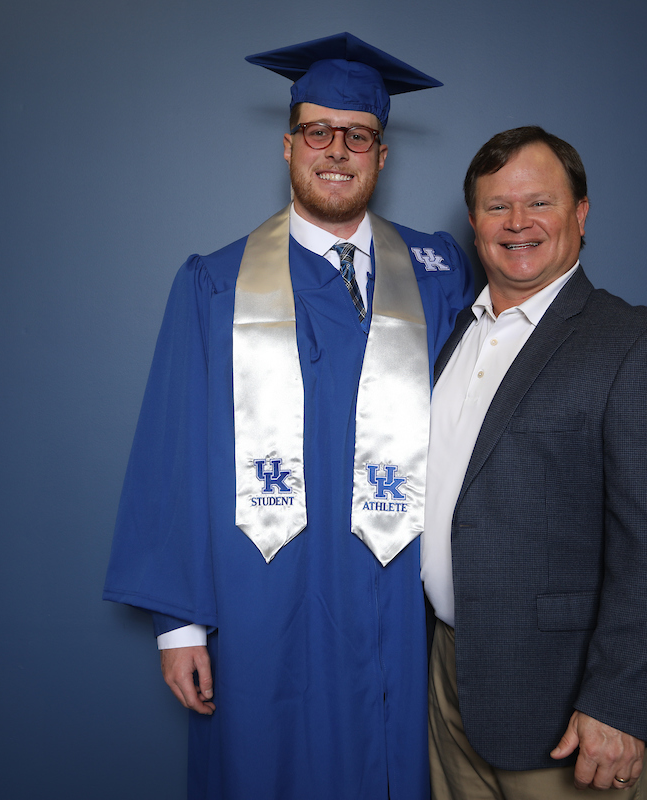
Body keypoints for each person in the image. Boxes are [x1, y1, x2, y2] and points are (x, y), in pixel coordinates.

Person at [104, 33, 474, 800]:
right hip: (261, 596)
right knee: (264, 762)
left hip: (398, 598)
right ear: (288, 145)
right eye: (317, 131)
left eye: (358, 135)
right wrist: (179, 625)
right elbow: (173, 453)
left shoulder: (437, 276)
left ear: (381, 154)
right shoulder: (216, 284)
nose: (336, 149)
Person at [422, 126, 647, 799]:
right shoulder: (456, 336)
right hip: (449, 679)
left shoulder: (638, 344)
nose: (517, 223)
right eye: (497, 207)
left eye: (539, 203)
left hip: (570, 704)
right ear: (474, 223)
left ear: (581, 213)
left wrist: (620, 702)